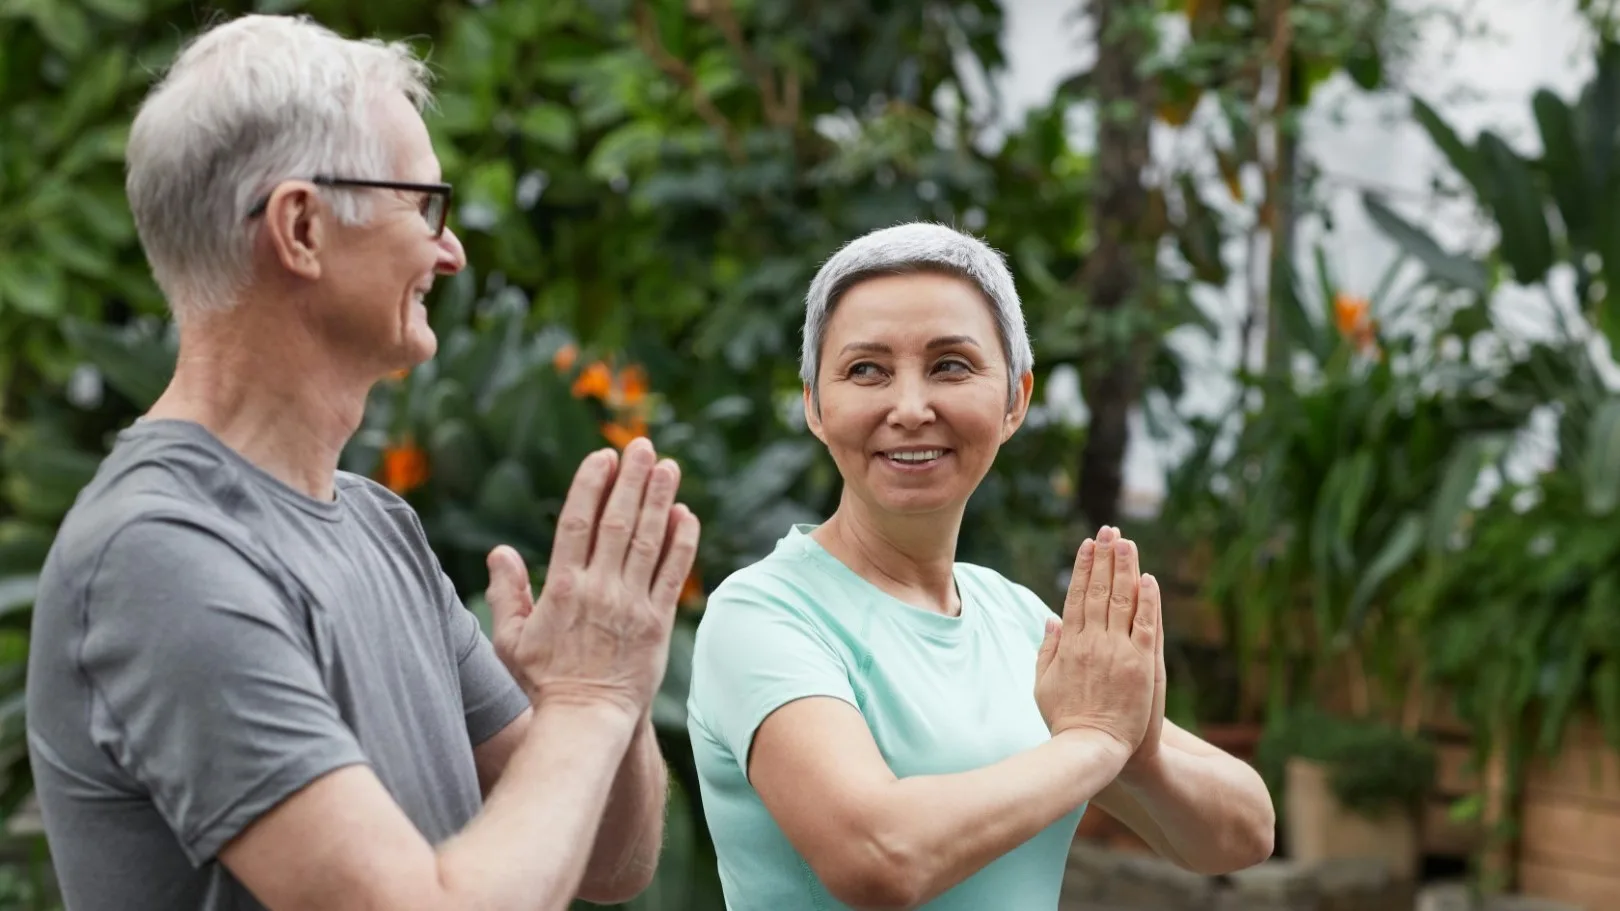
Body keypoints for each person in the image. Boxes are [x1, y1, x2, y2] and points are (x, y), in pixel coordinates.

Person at [24, 14, 699, 911]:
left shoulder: (383, 527)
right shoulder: (157, 553)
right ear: (301, 227)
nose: (449, 250)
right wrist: (589, 698)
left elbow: (610, 865)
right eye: (423, 205)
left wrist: (612, 686)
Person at [685, 222, 1276, 910]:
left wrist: (1136, 753)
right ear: (816, 404)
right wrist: (1092, 742)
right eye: (866, 369)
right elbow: (878, 855)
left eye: (951, 365)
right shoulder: (763, 615)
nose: (910, 408)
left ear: (1015, 400)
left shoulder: (1016, 619)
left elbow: (1247, 829)